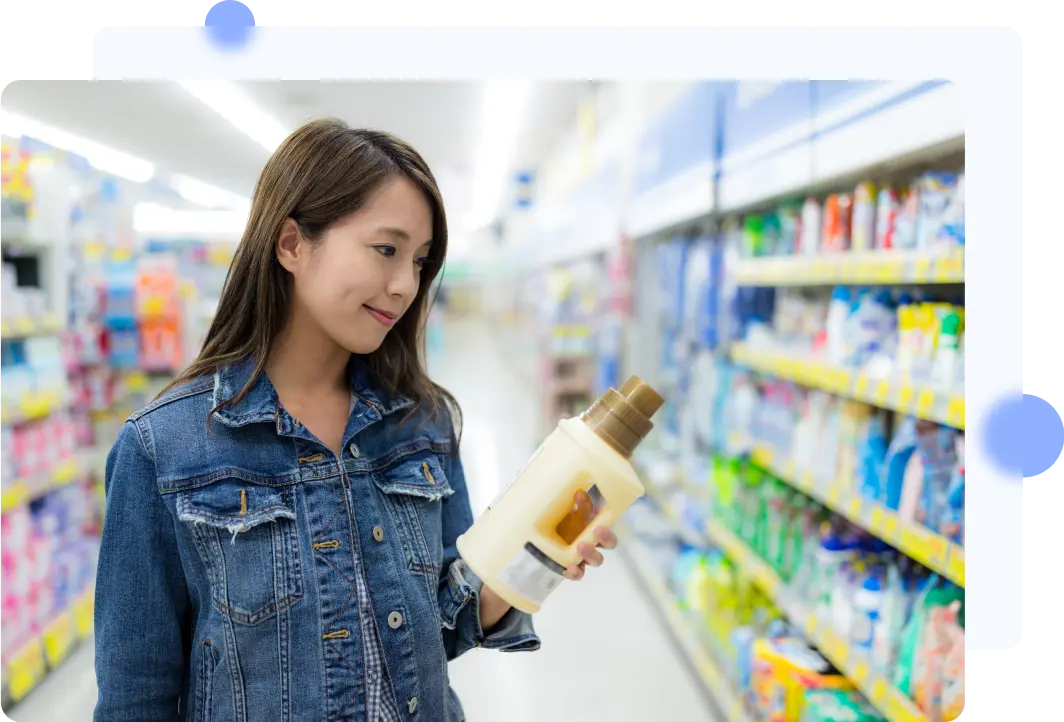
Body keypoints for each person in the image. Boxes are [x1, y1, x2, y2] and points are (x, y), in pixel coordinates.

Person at [92, 119, 617, 722]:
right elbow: (136, 696)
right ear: (291, 244)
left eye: (420, 261)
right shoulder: (166, 447)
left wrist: (537, 557)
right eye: (386, 249)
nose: (404, 286)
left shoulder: (422, 421)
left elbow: (446, 619)